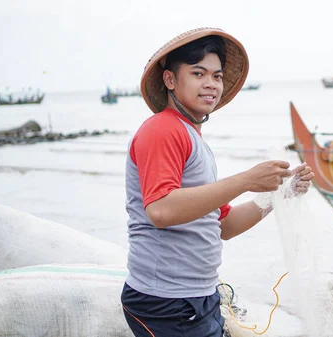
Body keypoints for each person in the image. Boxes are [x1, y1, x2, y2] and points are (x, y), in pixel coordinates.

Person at [120, 28, 314, 337]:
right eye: (199, 73)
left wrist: (280, 194)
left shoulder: (193, 138)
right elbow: (160, 210)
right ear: (170, 80)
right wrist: (247, 179)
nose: (211, 84)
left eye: (217, 76)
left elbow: (223, 225)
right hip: (164, 302)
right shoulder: (162, 130)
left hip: (199, 297)